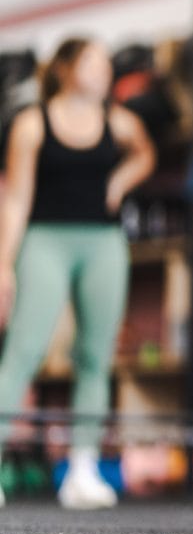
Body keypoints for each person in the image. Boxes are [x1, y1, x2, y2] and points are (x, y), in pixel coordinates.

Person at [0, 38, 156, 509]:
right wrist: (5, 262)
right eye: (92, 61)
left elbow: (144, 153)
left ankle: (83, 469)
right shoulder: (32, 123)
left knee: (95, 356)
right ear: (66, 68)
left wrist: (119, 180)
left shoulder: (120, 121)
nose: (103, 70)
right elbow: (17, 197)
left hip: (103, 245)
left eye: (107, 64)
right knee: (23, 351)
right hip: (45, 242)